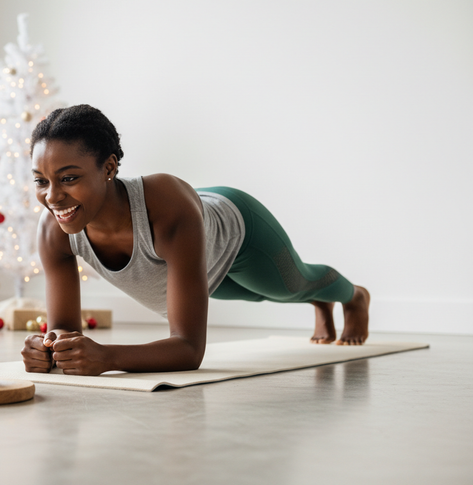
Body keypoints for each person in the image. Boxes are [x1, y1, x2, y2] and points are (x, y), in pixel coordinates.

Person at [21, 105, 370, 376]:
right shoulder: (54, 230)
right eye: (41, 181)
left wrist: (107, 356)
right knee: (259, 295)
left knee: (291, 285)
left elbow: (188, 349)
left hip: (237, 234)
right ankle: (319, 302)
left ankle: (352, 297)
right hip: (194, 254)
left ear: (110, 168)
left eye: (68, 178)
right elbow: (65, 328)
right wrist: (50, 347)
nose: (53, 197)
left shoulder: (166, 205)